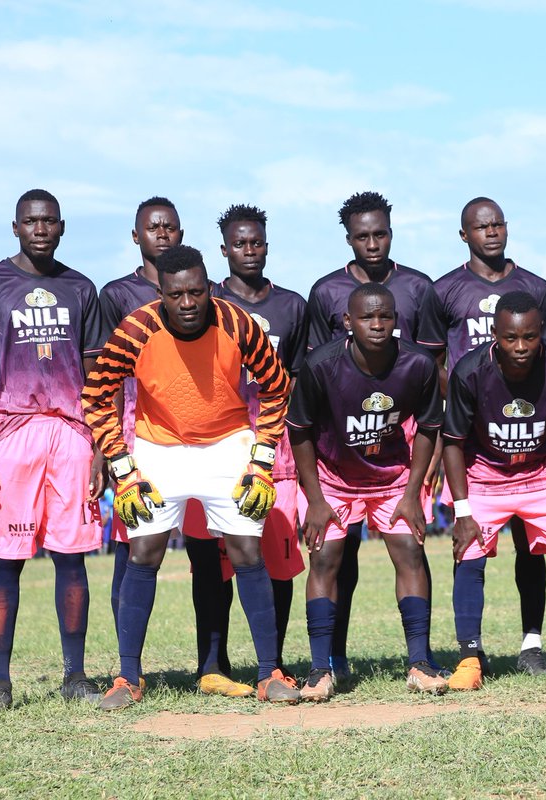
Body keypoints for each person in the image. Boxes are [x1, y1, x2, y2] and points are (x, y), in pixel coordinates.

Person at [84, 244, 296, 710]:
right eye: (176, 293)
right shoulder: (136, 329)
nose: (187, 303)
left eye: (196, 292)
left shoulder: (237, 322)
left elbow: (278, 386)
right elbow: (97, 395)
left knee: (245, 550)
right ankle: (128, 677)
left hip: (227, 442)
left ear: (208, 287)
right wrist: (122, 467)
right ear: (159, 290)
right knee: (144, 552)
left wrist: (261, 460)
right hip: (159, 445)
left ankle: (269, 673)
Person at [0, 188, 107, 712]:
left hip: (72, 434)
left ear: (62, 227)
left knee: (72, 557)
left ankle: (76, 676)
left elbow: (99, 376)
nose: (40, 229)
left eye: (49, 222)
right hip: (11, 436)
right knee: (7, 560)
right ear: (15, 227)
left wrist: (103, 446)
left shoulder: (81, 288)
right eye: (30, 221)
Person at [96, 197, 244, 697]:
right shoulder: (117, 296)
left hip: (213, 441)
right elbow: (101, 380)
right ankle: (128, 671)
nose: (163, 234)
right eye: (153, 228)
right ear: (136, 236)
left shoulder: (210, 297)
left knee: (212, 557)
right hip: (145, 443)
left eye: (171, 227)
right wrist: (112, 456)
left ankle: (213, 664)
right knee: (137, 554)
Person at [417, 197, 546, 675]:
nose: (491, 232)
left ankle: (532, 645)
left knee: (533, 547)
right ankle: (471, 651)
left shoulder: (536, 287)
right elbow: (432, 362)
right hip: (472, 438)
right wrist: (467, 401)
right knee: (470, 546)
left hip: (531, 436)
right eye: (481, 227)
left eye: (498, 224)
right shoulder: (443, 290)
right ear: (464, 235)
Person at [289, 283, 446, 701]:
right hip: (333, 478)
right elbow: (299, 432)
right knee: (324, 559)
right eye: (367, 317)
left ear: (396, 320)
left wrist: (413, 492)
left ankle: (419, 663)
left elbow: (430, 427)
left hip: (393, 478)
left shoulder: (418, 363)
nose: (377, 324)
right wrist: (317, 499)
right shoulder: (320, 365)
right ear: (347, 322)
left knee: (411, 552)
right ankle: (320, 670)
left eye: (386, 317)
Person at [304, 191, 437, 680]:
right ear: (348, 238)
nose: (373, 243)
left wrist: (434, 453)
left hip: (396, 453)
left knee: (407, 549)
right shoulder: (325, 291)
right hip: (338, 453)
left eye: (380, 233)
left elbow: (430, 373)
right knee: (339, 556)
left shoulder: (418, 287)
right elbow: (319, 379)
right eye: (362, 236)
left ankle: (419, 659)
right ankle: (330, 660)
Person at [440, 291, 546, 690]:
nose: (521, 347)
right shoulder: (469, 372)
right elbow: (453, 443)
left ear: (542, 333)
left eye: (530, 337)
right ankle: (469, 658)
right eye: (511, 338)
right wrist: (462, 511)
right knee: (469, 559)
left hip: (544, 476)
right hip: (485, 478)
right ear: (495, 335)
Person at [212, 203, 308, 685]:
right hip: (219, 443)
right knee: (220, 563)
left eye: (257, 242)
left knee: (278, 561)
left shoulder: (292, 305)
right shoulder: (205, 301)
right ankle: (217, 662)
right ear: (224, 249)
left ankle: (275, 658)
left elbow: (302, 375)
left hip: (278, 449)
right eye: (240, 243)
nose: (249, 250)